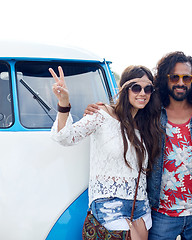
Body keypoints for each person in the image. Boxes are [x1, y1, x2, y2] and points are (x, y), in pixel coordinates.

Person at [50, 65, 162, 240]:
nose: (143, 93)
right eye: (136, 88)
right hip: (108, 206)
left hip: (140, 208)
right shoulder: (102, 114)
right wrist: (64, 103)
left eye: (148, 89)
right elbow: (65, 137)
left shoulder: (147, 124)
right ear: (124, 89)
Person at [146, 51, 192, 240]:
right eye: (175, 77)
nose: (180, 83)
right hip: (161, 213)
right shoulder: (152, 113)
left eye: (186, 78)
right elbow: (124, 112)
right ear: (166, 79)